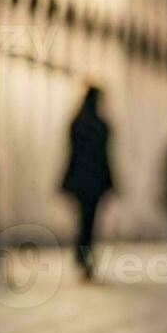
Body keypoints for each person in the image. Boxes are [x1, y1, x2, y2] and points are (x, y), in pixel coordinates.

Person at [61, 87, 113, 279]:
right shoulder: (100, 125)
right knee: (89, 220)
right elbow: (104, 157)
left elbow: (73, 153)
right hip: (94, 181)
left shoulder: (78, 123)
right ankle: (84, 254)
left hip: (81, 180)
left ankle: (82, 254)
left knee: (84, 219)